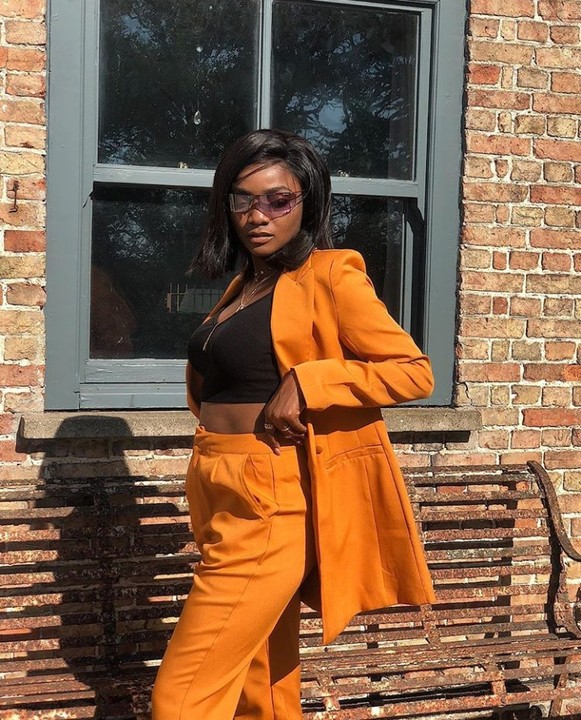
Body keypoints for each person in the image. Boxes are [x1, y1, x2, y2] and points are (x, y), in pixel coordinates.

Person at [152, 129, 436, 720]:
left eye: (278, 200)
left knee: (181, 697)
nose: (258, 215)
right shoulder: (242, 286)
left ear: (307, 202)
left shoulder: (331, 275)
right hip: (218, 481)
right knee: (261, 684)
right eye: (242, 199)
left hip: (271, 494)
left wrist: (311, 381)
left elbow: (414, 372)